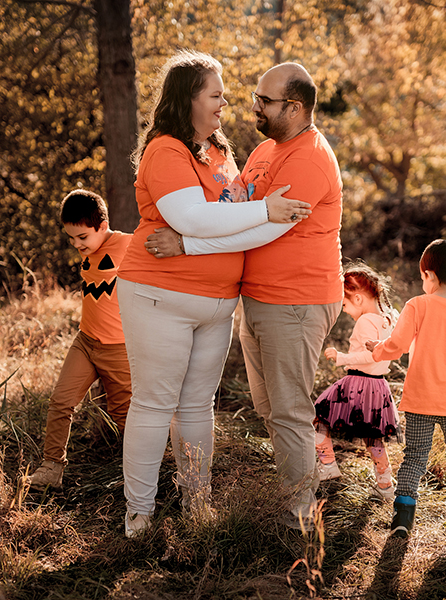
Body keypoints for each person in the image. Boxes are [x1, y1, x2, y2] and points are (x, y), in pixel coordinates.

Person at [117, 51, 311, 537]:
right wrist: (265, 211)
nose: (226, 103)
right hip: (160, 294)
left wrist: (249, 218)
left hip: (218, 303)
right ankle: (138, 511)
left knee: (196, 406)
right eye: (216, 94)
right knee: (155, 404)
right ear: (189, 100)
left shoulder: (223, 155)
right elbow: (197, 218)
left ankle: (196, 504)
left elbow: (237, 224)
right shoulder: (166, 150)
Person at [147, 62, 344, 531]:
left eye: (264, 100)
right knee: (270, 407)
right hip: (258, 298)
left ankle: (300, 517)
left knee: (289, 410)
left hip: (295, 301)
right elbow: (234, 206)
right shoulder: (264, 149)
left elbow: (262, 229)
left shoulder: (308, 159)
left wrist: (187, 243)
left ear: (294, 108)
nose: (252, 105)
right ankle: (315, 472)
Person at [365, 239, 446, 538]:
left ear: (430, 275)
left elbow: (396, 346)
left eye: (423, 276)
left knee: (416, 456)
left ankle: (403, 517)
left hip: (421, 398)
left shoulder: (417, 305)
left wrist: (376, 350)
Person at [25, 189, 133, 491]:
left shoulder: (127, 244)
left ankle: (139, 473)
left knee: (124, 415)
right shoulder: (88, 247)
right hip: (86, 342)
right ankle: (51, 468)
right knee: (61, 401)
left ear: (102, 225)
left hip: (118, 348)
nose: (77, 244)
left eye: (82, 237)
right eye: (71, 238)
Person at [315, 262, 403, 499]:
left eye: (344, 304)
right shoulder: (389, 318)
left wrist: (343, 357)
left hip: (357, 383)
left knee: (318, 415)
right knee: (373, 436)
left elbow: (370, 355)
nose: (344, 310)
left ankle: (328, 464)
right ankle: (385, 486)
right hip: (378, 386)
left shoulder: (366, 321)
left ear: (358, 298)